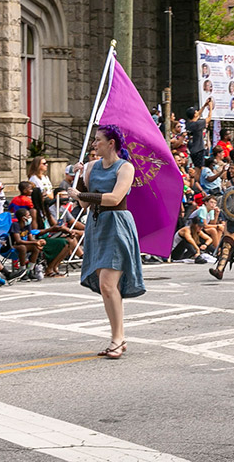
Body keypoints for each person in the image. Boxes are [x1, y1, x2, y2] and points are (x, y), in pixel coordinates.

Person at [69, 124, 146, 359]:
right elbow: (82, 205)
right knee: (107, 288)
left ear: (111, 143)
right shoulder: (91, 167)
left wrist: (82, 194)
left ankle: (118, 337)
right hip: (96, 225)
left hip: (117, 224)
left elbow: (114, 198)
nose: (94, 144)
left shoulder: (126, 167)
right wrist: (80, 179)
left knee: (108, 284)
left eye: (98, 140)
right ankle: (118, 337)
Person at [186, 99, 213, 168]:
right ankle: (199, 179)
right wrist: (210, 108)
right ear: (194, 115)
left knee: (196, 167)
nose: (198, 112)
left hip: (192, 150)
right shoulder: (197, 124)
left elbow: (197, 115)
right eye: (196, 112)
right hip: (199, 150)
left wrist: (204, 106)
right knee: (200, 168)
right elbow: (209, 118)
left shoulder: (189, 124)